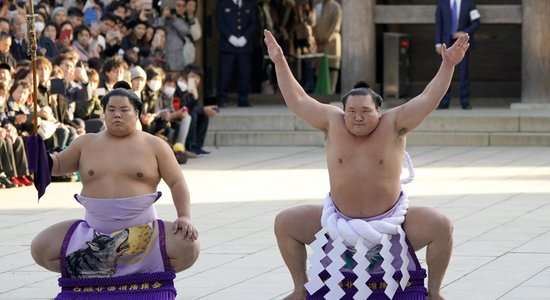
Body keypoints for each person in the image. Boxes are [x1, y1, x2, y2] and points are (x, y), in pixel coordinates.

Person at [264, 29, 469, 300]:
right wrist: (280, 63)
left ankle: (434, 292)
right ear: (343, 111)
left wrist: (447, 64)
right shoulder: (331, 123)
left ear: (379, 111)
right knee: (286, 223)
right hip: (338, 223)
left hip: (393, 224)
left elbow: (428, 98)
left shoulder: (395, 124)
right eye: (351, 112)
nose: (357, 118)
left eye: (365, 111)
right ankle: (301, 288)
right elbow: (299, 99)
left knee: (442, 225)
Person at [30, 87, 200, 297]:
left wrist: (184, 216)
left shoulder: (155, 145)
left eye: (124, 109)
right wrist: (39, 154)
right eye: (111, 109)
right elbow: (56, 165)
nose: (117, 114)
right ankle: (99, 272)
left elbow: (177, 182)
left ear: (137, 113)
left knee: (188, 246)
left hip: (142, 233)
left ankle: (131, 273)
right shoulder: (86, 143)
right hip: (94, 234)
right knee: (41, 248)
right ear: (104, 113)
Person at [435, 0, 480, 110]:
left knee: (463, 73)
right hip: (446, 43)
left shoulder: (469, 3)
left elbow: (476, 21)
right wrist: (437, 43)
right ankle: (444, 102)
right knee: (445, 73)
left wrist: (465, 32)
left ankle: (465, 102)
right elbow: (438, 23)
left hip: (462, 42)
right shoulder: (442, 3)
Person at [215, 0, 257, 107]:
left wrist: (245, 38)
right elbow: (220, 23)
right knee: (224, 74)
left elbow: (253, 24)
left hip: (244, 46)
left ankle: (243, 99)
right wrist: (230, 37)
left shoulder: (249, 5)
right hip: (227, 46)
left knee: (245, 74)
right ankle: (222, 99)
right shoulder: (223, 4)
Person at [313, 0, 341, 94]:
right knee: (319, 68)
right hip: (319, 43)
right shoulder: (317, 7)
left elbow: (336, 25)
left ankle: (331, 92)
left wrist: (326, 38)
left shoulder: (336, 7)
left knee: (332, 66)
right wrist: (316, 37)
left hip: (331, 42)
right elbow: (314, 24)